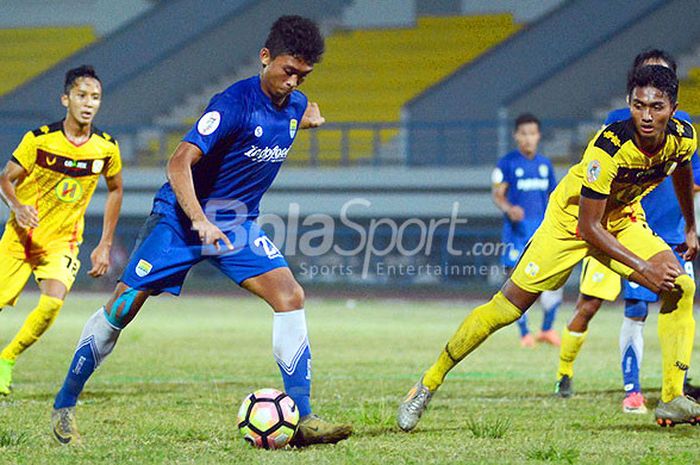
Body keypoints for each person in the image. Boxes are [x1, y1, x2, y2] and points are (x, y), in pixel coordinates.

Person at [50, 16, 352, 447]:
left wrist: (308, 119)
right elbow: (177, 162)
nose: (293, 82)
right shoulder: (231, 103)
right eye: (288, 71)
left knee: (290, 296)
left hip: (236, 225)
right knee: (123, 308)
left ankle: (303, 418)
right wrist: (199, 220)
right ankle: (65, 403)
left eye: (303, 76)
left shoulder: (297, 104)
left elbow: (284, 120)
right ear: (265, 58)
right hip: (180, 219)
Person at [398, 65, 700, 430]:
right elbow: (588, 227)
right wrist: (643, 267)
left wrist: (690, 224)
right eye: (638, 106)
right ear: (628, 103)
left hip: (622, 220)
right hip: (570, 223)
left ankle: (671, 398)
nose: (647, 116)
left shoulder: (684, 136)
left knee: (681, 286)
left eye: (657, 107)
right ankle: (426, 384)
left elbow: (682, 169)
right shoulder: (608, 149)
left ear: (673, 106)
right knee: (505, 309)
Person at [555, 50, 700, 413]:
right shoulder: (619, 123)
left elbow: (691, 178)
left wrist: (690, 225)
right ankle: (625, 386)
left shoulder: (683, 130)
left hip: (671, 229)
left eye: (662, 77)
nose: (649, 108)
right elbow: (598, 174)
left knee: (680, 299)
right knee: (609, 307)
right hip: (625, 227)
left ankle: (674, 391)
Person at [0, 65, 123, 395]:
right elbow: (5, 179)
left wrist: (105, 243)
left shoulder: (106, 148)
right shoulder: (40, 140)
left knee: (52, 304)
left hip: (63, 242)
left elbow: (115, 190)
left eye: (95, 97)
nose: (88, 103)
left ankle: (6, 360)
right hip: (20, 238)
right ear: (65, 99)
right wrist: (17, 206)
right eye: (82, 96)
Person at [491, 113, 561, 348]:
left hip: (541, 234)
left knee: (552, 280)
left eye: (532, 133)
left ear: (538, 135)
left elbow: (553, 195)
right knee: (514, 282)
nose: (528, 139)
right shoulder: (507, 163)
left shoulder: (545, 164)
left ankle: (547, 329)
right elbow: (498, 195)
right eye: (524, 134)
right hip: (516, 234)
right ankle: (524, 333)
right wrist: (509, 209)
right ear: (516, 136)